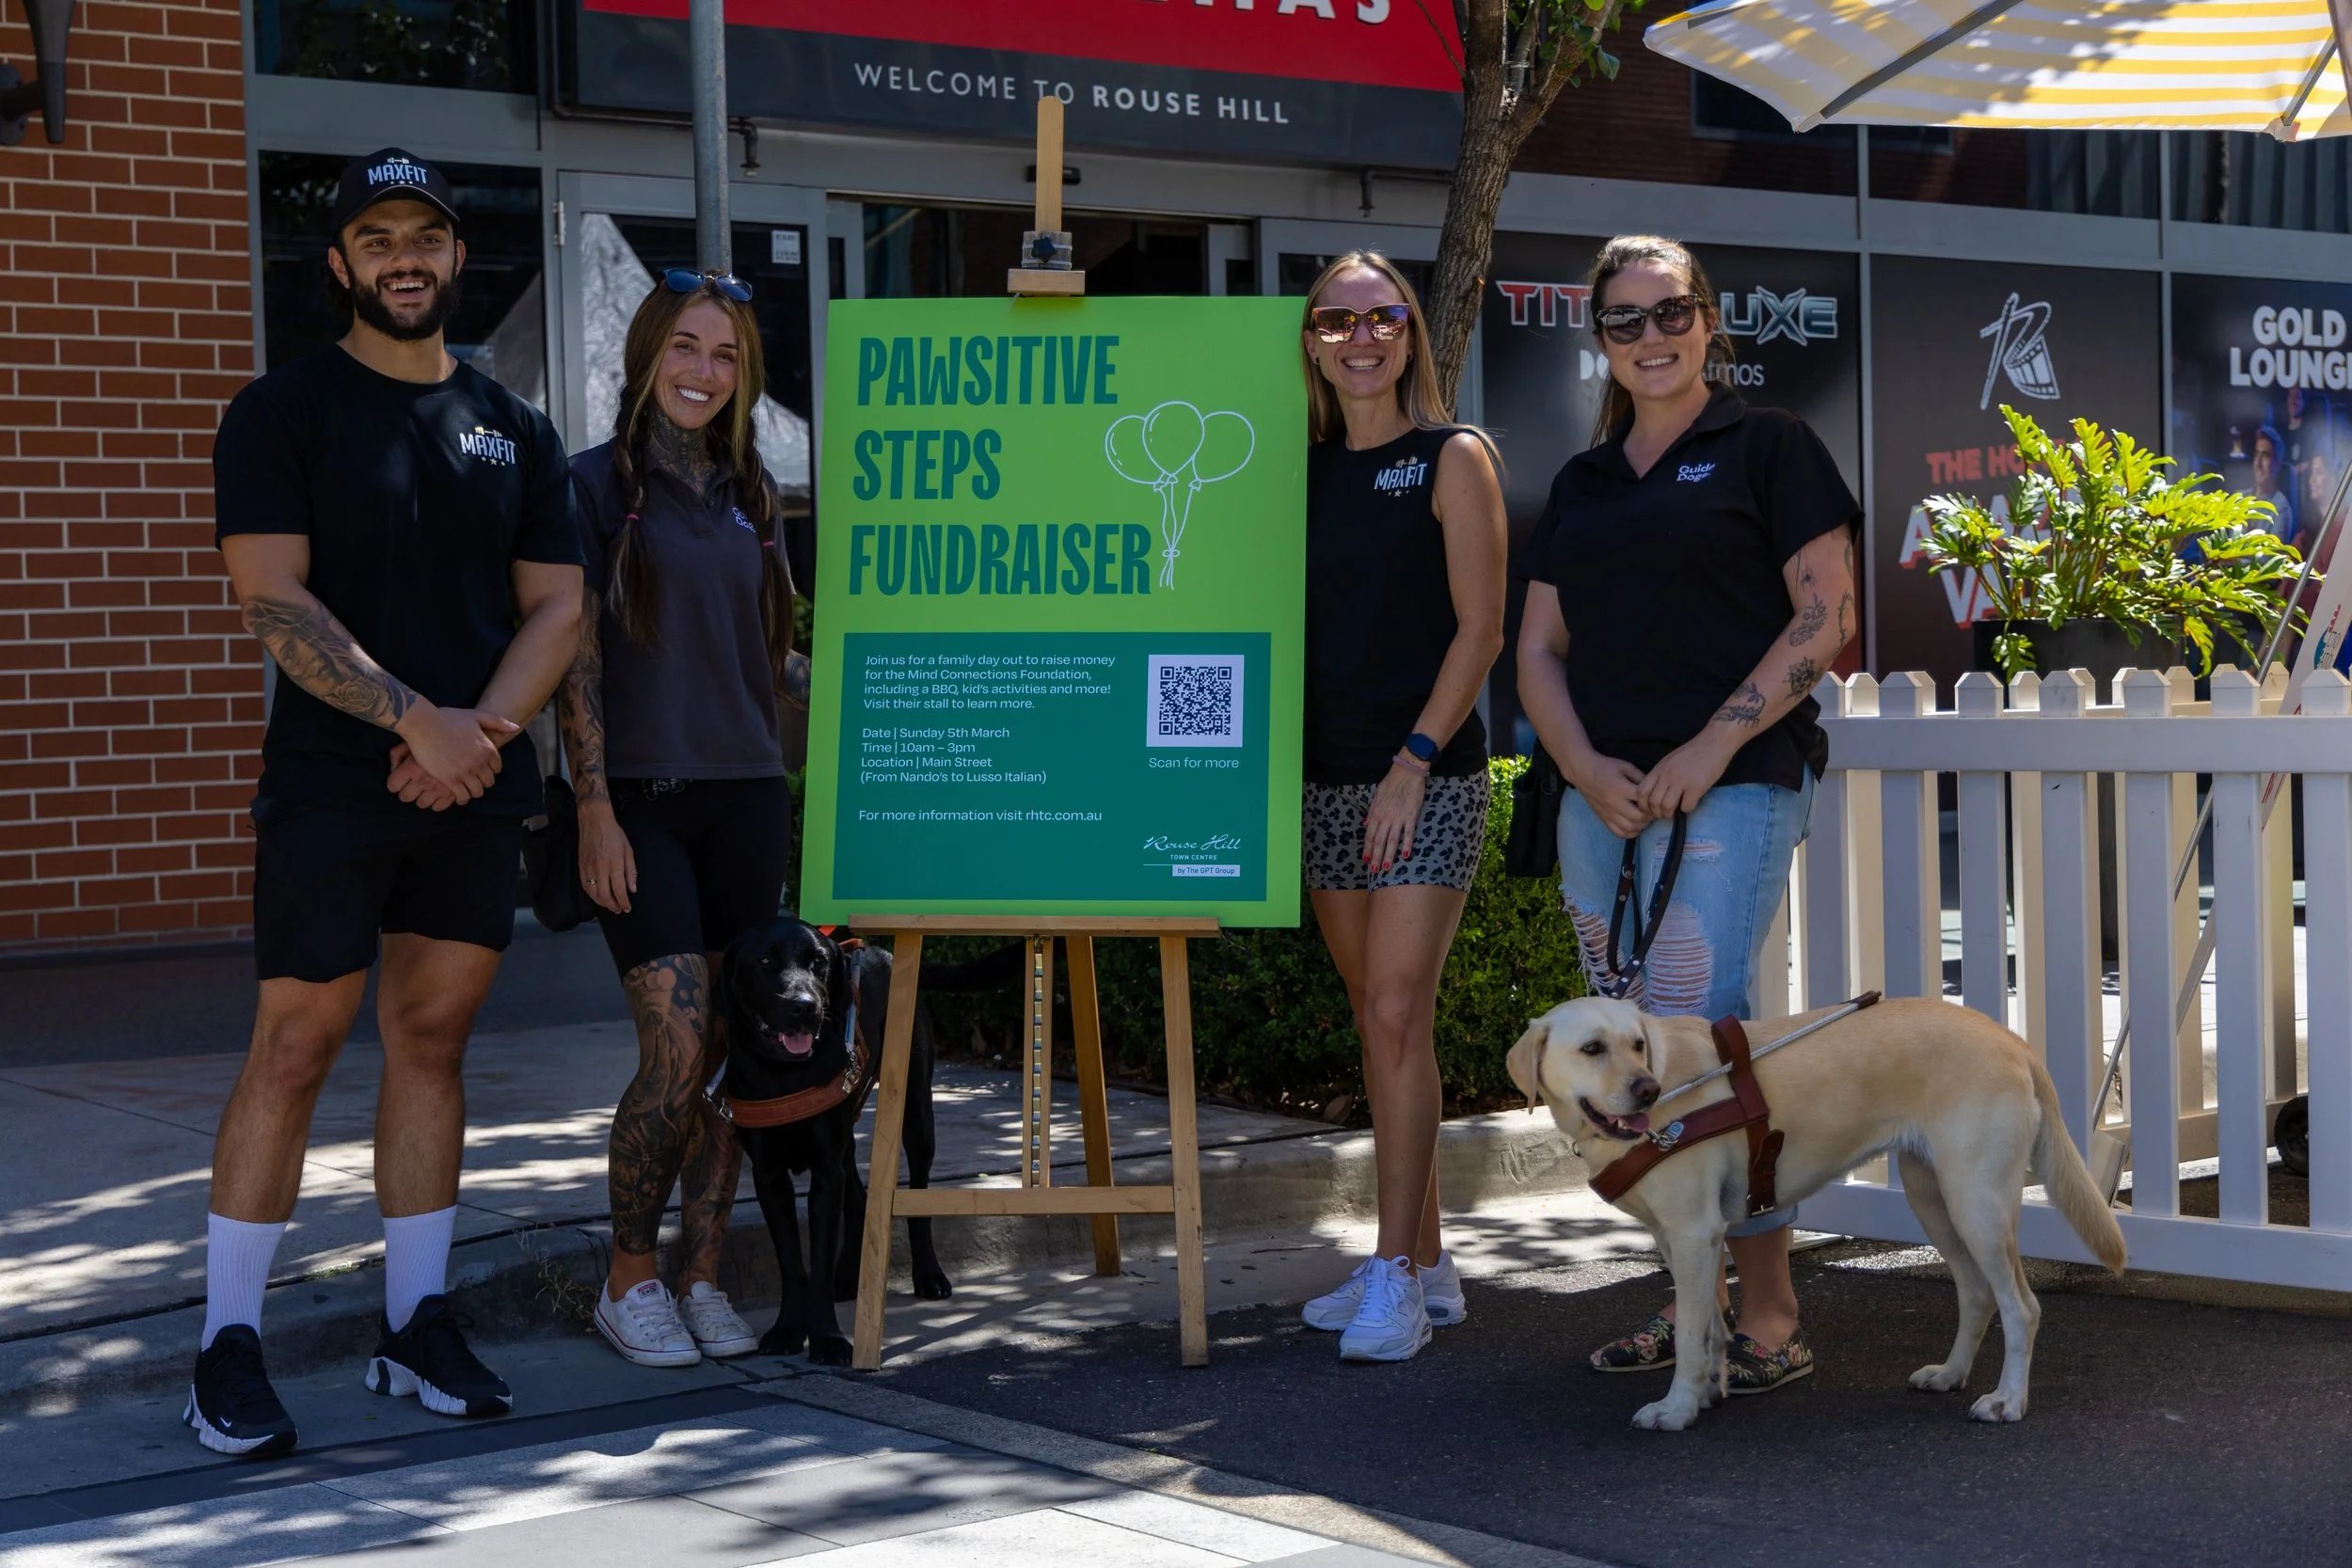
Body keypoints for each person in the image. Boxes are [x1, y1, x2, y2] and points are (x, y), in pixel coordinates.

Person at [192, 150, 583, 1456]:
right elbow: (274, 598)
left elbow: (559, 603)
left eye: (427, 234)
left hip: (470, 777)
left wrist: (481, 732)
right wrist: (414, 717)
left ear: (457, 258)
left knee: (432, 1044)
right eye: (379, 237)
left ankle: (415, 1322)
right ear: (342, 265)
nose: (405, 256)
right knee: (295, 1045)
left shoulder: (510, 426)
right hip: (332, 781)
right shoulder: (281, 411)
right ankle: (227, 1346)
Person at [1515, 234, 1858, 1394]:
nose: (1650, 338)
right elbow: (1538, 652)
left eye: (1670, 314)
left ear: (1709, 320)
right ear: (1599, 340)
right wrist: (1582, 764)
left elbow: (1827, 617)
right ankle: (1705, 1306)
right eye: (1624, 321)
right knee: (1650, 1050)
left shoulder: (1771, 446)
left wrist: (1713, 741)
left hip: (1738, 777)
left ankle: (1760, 1317)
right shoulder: (1585, 479)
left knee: (1687, 1029)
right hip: (1597, 795)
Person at [559, 271, 813, 1367]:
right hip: (644, 800)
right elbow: (574, 663)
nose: (705, 371)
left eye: (726, 356)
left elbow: (770, 653)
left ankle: (703, 1275)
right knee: (673, 1045)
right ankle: (626, 1279)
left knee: (727, 1054)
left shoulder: (754, 500)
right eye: (687, 348)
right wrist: (594, 807)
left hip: (748, 793)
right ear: (649, 356)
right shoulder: (587, 488)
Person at [1292, 252, 1507, 1363]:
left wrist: (1415, 758)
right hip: (1321, 778)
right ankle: (1426, 1263)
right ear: (1312, 341)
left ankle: (1390, 1279)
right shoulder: (1294, 469)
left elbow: (1481, 630)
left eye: (1382, 318)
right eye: (1337, 319)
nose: (1360, 336)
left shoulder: (1452, 456)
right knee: (1389, 1022)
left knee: (1389, 1011)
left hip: (1424, 777)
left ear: (1413, 334)